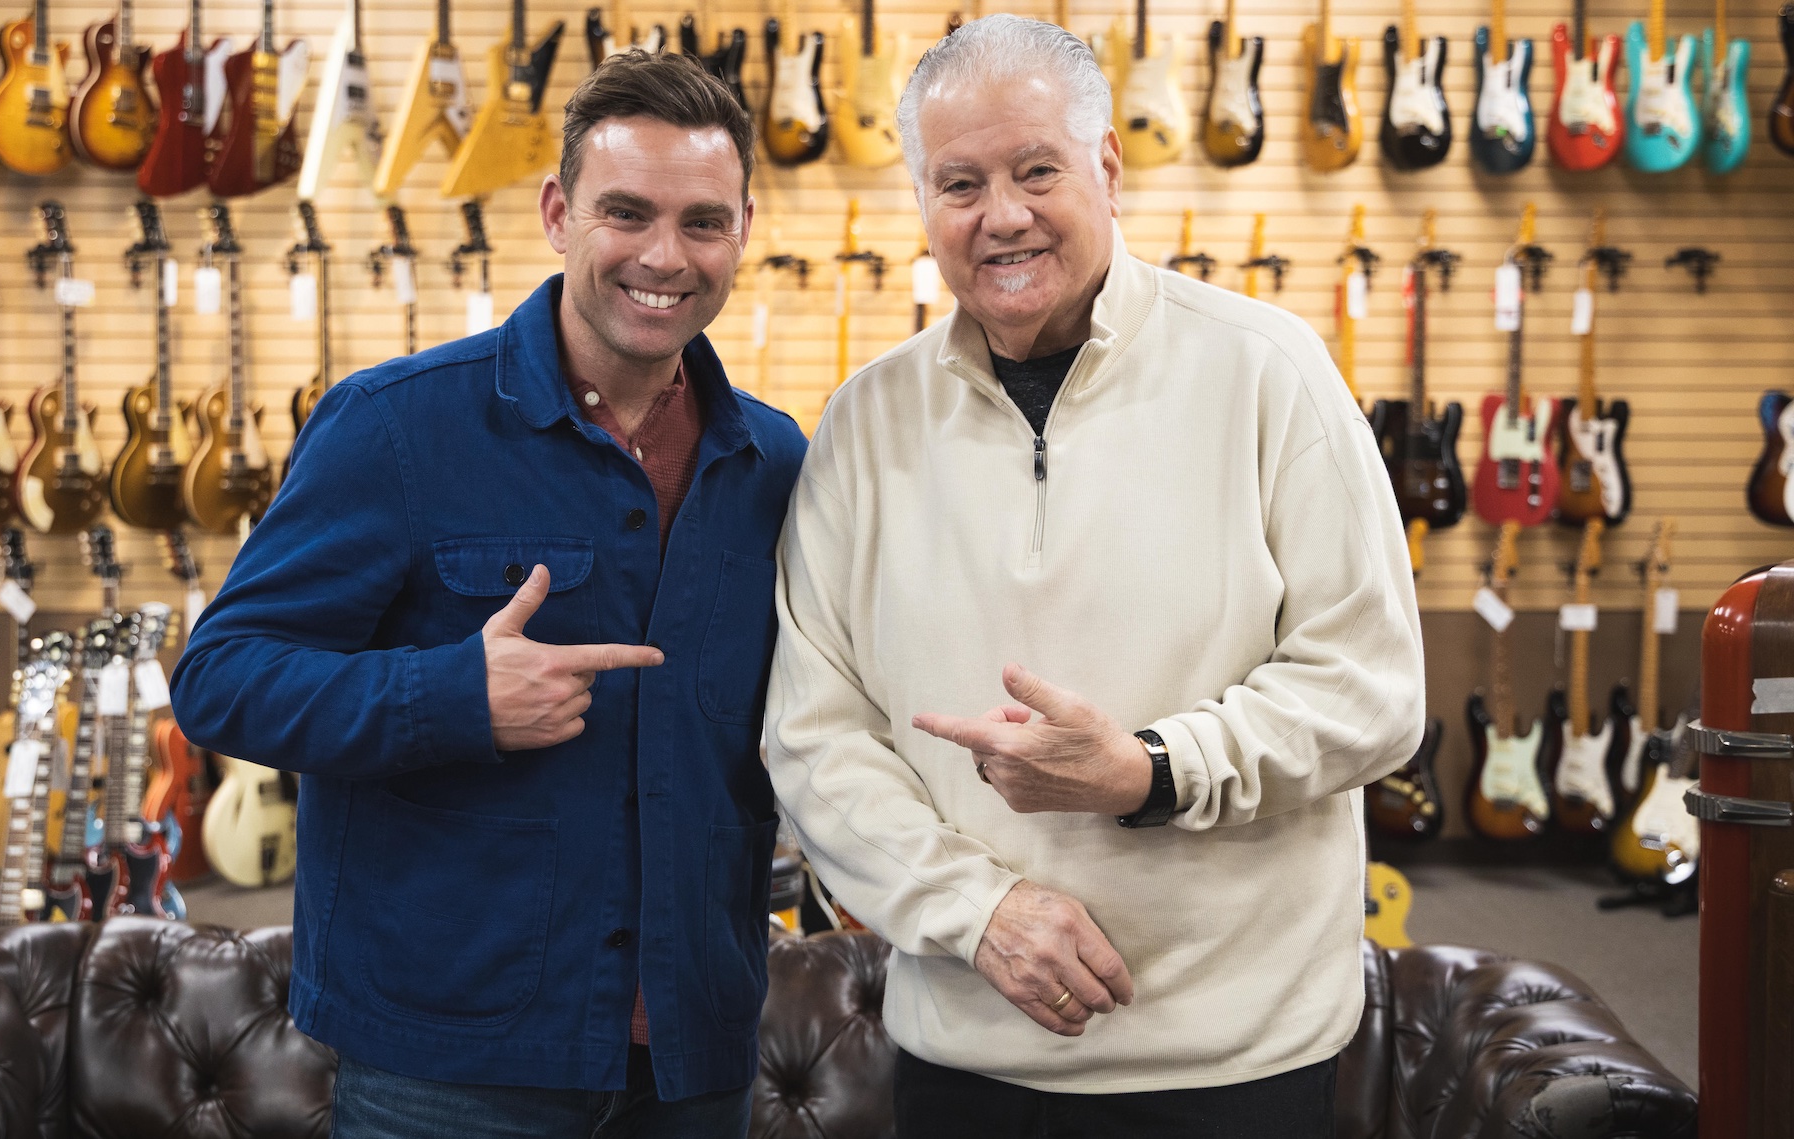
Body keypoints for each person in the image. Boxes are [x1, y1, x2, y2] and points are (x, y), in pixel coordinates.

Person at [764, 14, 1424, 1138]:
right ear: (921, 203)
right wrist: (979, 911)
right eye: (959, 182)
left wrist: (1153, 769)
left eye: (1036, 170)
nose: (1002, 214)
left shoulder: (1268, 373)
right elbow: (813, 735)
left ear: (1105, 167)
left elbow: (1370, 687)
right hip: (962, 1052)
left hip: (1234, 1061)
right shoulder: (862, 423)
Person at [170, 50, 805, 1139]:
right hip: (451, 1064)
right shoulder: (396, 426)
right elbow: (221, 679)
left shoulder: (775, 459)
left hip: (696, 1052)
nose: (664, 255)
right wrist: (452, 694)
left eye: (703, 220)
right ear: (558, 213)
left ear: (744, 225)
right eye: (626, 212)